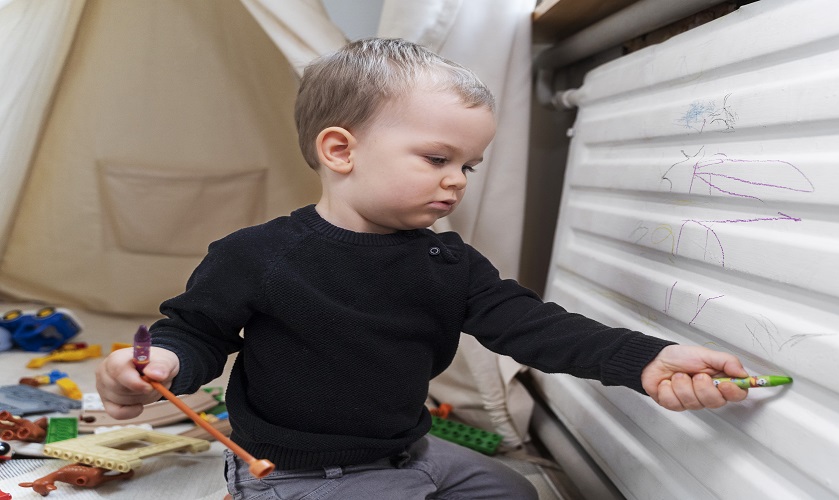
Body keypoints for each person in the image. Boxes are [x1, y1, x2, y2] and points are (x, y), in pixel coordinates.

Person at [96, 37, 749, 499]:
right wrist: (160, 367)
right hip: (301, 472)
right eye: (437, 158)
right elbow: (197, 332)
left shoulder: (448, 261)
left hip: (412, 449)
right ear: (340, 150)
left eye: (468, 166)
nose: (457, 181)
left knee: (515, 492)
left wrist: (646, 358)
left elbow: (536, 327)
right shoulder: (255, 255)